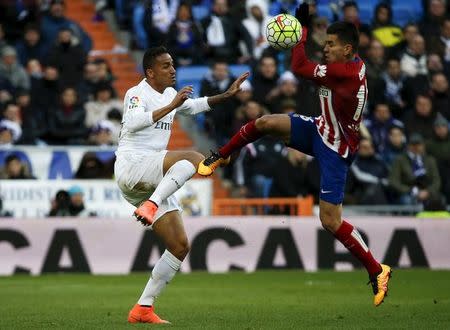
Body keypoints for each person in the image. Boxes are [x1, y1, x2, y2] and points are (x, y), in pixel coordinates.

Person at [198, 4, 392, 307]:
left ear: (348, 49)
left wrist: (300, 31)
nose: (325, 48)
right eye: (324, 43)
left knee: (329, 221)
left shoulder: (346, 73)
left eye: (330, 45)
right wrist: (303, 30)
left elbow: (300, 67)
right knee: (264, 123)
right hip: (320, 128)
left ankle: (377, 269)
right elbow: (308, 66)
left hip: (336, 150)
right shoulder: (346, 64)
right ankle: (222, 155)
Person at [114, 46, 248, 324]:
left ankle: (143, 308)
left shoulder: (167, 94)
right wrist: (171, 106)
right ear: (150, 72)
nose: (173, 69)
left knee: (179, 246)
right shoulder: (137, 93)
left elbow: (194, 106)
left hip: (151, 178)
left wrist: (226, 95)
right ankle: (153, 204)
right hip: (132, 167)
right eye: (165, 66)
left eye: (173, 64)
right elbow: (133, 122)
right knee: (192, 156)